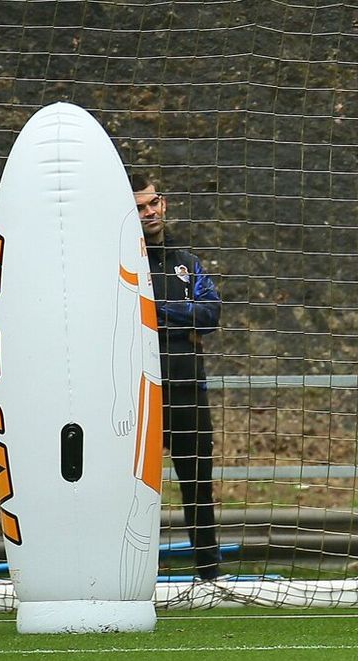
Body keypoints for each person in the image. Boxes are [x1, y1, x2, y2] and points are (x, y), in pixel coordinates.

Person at [132, 174, 224, 580]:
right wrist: (177, 315)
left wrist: (159, 310)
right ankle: (136, 573)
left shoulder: (187, 261)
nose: (149, 212)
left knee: (198, 483)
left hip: (189, 388)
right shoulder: (122, 261)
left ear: (164, 204)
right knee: (136, 490)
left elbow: (211, 314)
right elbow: (127, 311)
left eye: (153, 203)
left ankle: (209, 575)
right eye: (139, 207)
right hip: (139, 393)